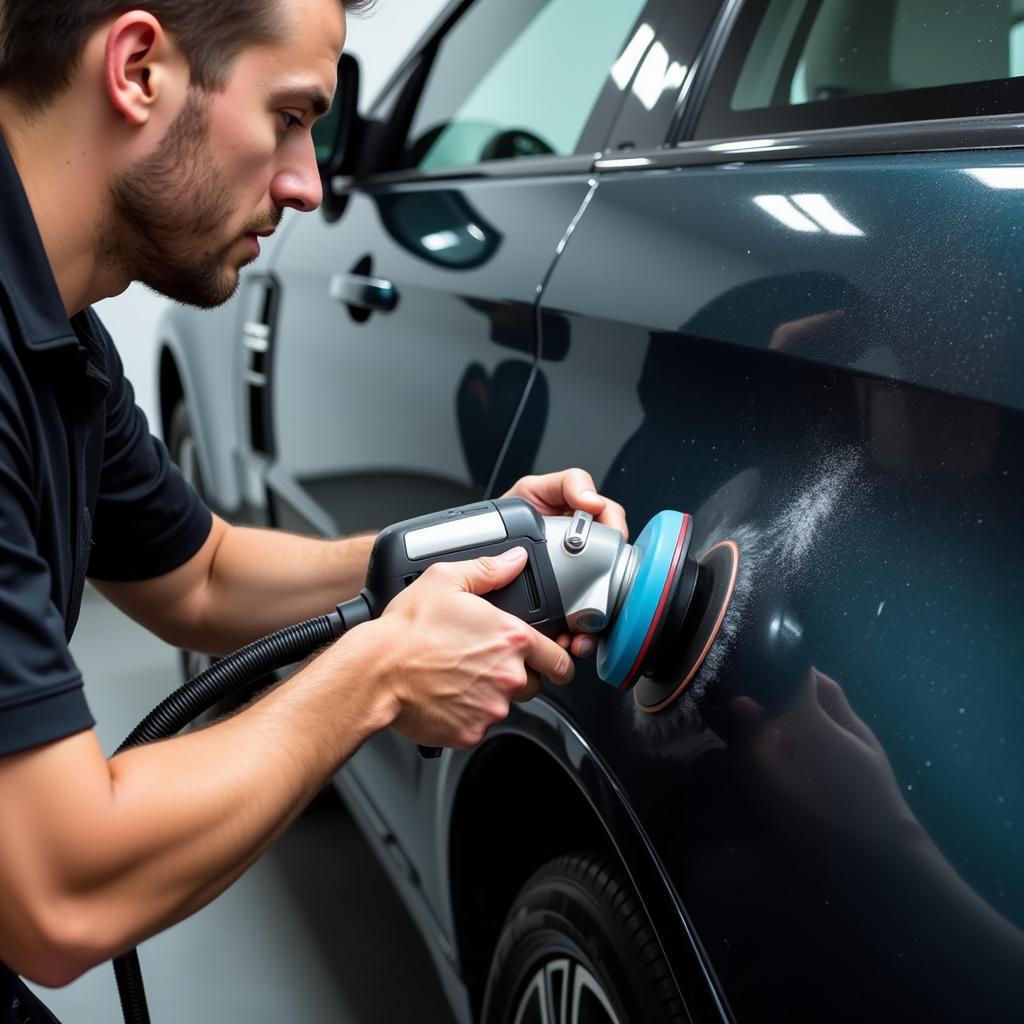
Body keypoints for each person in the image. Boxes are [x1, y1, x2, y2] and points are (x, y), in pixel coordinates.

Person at [0, 0, 627, 1014]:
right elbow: (59, 893)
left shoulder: (63, 338)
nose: (306, 183)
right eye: (289, 117)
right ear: (139, 69)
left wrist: (440, 553)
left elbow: (200, 575)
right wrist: (375, 676)